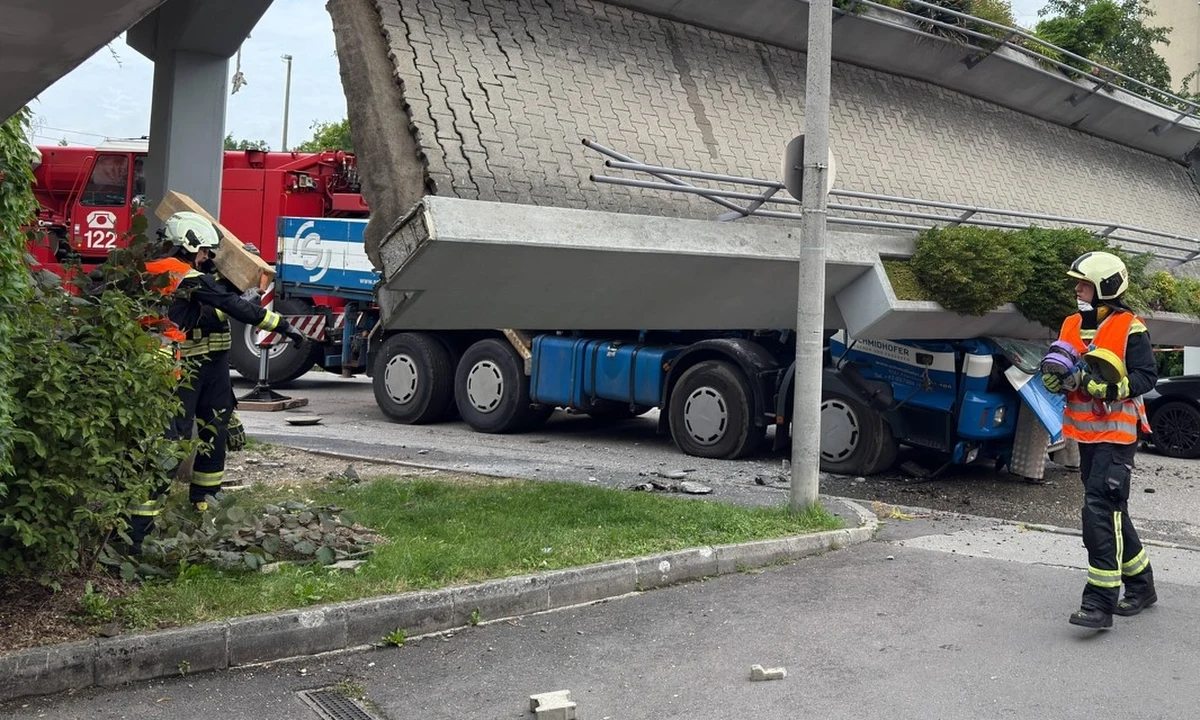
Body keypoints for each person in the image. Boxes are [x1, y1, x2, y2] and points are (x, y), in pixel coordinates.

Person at [127, 211, 306, 549]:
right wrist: (281, 325)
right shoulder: (183, 276)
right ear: (189, 245)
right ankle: (138, 533)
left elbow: (213, 292)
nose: (208, 257)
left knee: (207, 430)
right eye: (205, 251)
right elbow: (219, 305)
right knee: (168, 446)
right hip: (173, 371)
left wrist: (241, 268)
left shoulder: (164, 269)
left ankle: (195, 502)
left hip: (183, 368)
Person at [1040, 250, 1157, 629]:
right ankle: (1141, 585)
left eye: (1084, 284)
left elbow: (1145, 378)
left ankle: (1099, 602)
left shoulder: (1130, 327)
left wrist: (1104, 388)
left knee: (1098, 511)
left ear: (1105, 288)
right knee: (1112, 510)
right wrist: (1055, 382)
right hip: (1087, 436)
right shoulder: (1071, 324)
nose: (1077, 289)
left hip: (1118, 435)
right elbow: (1062, 366)